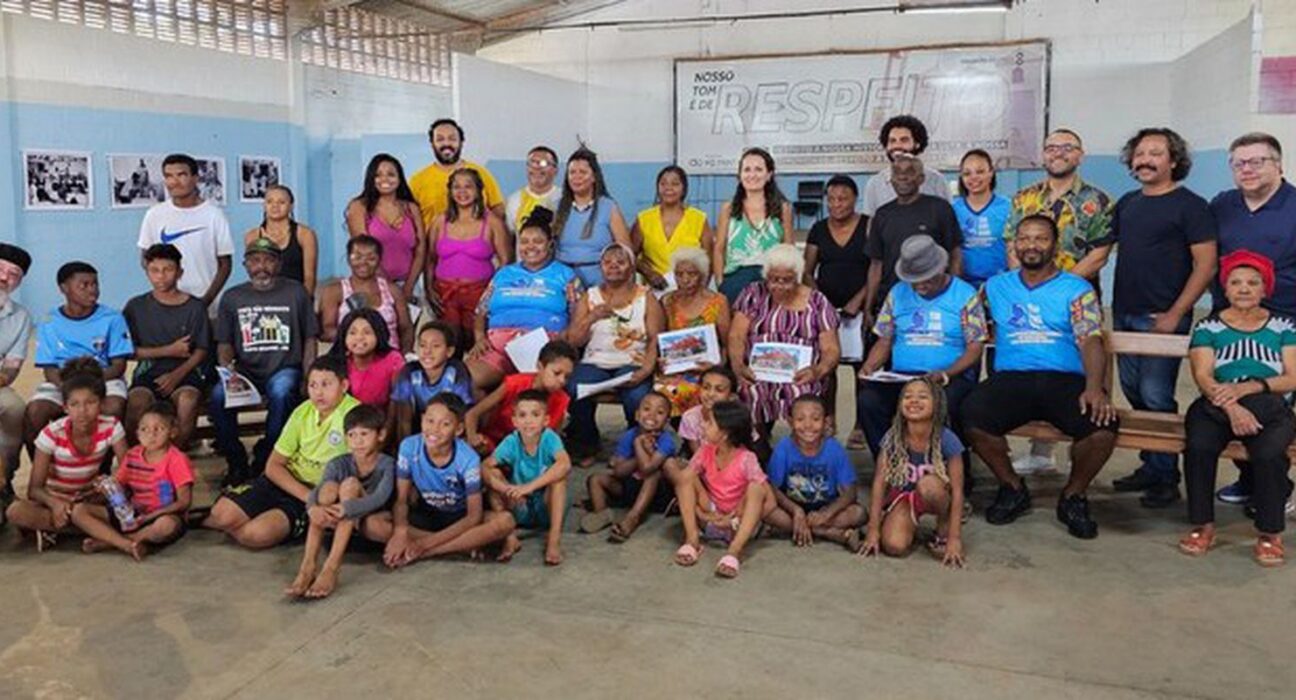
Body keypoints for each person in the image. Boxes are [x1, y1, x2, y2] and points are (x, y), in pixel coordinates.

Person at [961, 215, 1117, 539]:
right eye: (1025, 238)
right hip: (1012, 378)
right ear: (1015, 245)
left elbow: (1090, 338)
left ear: (1055, 246)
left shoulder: (1076, 288)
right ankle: (1012, 488)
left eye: (1041, 238)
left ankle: (1073, 495)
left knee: (1102, 429)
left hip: (1062, 379)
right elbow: (965, 318)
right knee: (970, 414)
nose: (1031, 245)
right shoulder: (995, 287)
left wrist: (1094, 387)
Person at [1105, 128, 1218, 508]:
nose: (1145, 160)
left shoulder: (1191, 206)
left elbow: (1205, 265)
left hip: (1164, 317)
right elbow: (1107, 251)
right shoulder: (1127, 203)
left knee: (1156, 395)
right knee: (1135, 393)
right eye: (1139, 153)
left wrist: (1175, 314)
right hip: (1124, 314)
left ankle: (1167, 476)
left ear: (1173, 161)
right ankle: (1151, 465)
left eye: (1156, 152)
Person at [1004, 129, 1115, 474]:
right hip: (1027, 296)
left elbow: (1099, 254)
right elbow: (1012, 245)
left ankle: (1082, 449)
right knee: (1036, 361)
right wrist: (1024, 287)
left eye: (1067, 148)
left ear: (1080, 155)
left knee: (1080, 369)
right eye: (1051, 147)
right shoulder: (1023, 198)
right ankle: (1041, 453)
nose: (1058, 153)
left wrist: (1059, 288)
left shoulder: (1098, 200)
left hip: (1077, 296)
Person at [1180, 252, 1295, 566]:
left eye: (1252, 283)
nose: (1244, 289)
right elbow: (1203, 376)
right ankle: (1203, 525)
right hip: (1216, 403)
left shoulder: (1284, 326)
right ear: (1225, 289)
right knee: (1199, 446)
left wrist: (1250, 387)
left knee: (1270, 453)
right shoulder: (1208, 327)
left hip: (1270, 405)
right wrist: (1233, 408)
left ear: (1264, 289)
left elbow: (1292, 376)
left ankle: (1270, 533)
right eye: (1236, 282)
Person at [1209, 133, 1295, 506]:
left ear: (1278, 164)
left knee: (1275, 410)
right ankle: (1250, 480)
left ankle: (1277, 487)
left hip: (1284, 324)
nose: (1247, 169)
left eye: (1256, 161)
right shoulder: (1222, 205)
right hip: (1230, 324)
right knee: (1233, 403)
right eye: (1239, 163)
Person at [201, 357, 360, 549]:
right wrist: (308, 497)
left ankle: (290, 521)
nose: (318, 392)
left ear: (344, 385)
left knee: (254, 535)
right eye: (313, 385)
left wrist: (316, 501)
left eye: (326, 384)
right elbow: (274, 466)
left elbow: (360, 470)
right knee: (221, 515)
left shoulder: (354, 415)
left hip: (319, 494)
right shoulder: (303, 411)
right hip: (288, 483)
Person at [857, 235, 986, 456]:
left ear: (941, 268)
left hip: (948, 377)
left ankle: (950, 467)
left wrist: (945, 373)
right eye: (915, 279)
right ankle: (890, 463)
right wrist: (870, 366)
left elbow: (975, 347)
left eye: (927, 278)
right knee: (869, 401)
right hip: (903, 376)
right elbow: (885, 339)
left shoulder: (965, 295)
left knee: (950, 403)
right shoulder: (898, 293)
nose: (920, 285)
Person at [210, 237, 318, 485]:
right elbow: (225, 343)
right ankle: (235, 460)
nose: (261, 266)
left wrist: (309, 375)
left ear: (278, 264)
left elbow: (310, 337)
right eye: (255, 260)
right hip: (246, 371)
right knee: (218, 396)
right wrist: (229, 375)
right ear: (245, 265)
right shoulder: (233, 297)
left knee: (282, 392)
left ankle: (266, 453)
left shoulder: (296, 292)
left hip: (284, 368)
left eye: (269, 260)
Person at [362, 393, 514, 567]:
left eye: (445, 424)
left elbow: (473, 516)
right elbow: (402, 499)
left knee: (505, 522)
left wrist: (423, 545)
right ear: (422, 420)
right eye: (430, 421)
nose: (434, 429)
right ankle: (462, 547)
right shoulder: (409, 447)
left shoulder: (468, 458)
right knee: (371, 524)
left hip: (460, 518)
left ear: (458, 430)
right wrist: (400, 532)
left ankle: (427, 552)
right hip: (426, 515)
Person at [5, 359, 128, 550]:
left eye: (91, 403)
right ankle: (95, 530)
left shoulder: (112, 427)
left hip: (90, 501)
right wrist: (55, 504)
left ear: (102, 404)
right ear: (65, 407)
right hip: (57, 499)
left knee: (126, 504)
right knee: (16, 512)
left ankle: (59, 529)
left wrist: (111, 488)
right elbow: (35, 489)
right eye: (74, 404)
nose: (82, 412)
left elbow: (127, 471)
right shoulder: (51, 434)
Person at [729, 244, 841, 443]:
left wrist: (818, 370)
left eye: (787, 280)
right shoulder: (752, 294)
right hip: (758, 372)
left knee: (803, 395)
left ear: (797, 277)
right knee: (749, 392)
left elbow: (831, 349)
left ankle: (802, 449)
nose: (779, 285)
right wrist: (739, 366)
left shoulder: (817, 302)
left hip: (801, 373)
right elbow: (736, 336)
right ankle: (759, 449)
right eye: (773, 279)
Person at [566, 244, 664, 462]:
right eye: (608, 262)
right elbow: (574, 340)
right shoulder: (590, 296)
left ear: (631, 268)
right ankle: (587, 443)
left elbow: (656, 337)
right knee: (575, 387)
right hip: (596, 361)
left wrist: (647, 369)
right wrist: (591, 317)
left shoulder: (646, 297)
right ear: (600, 267)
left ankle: (633, 445)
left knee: (637, 396)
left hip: (633, 361)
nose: (614, 267)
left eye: (621, 262)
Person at [465, 208, 581, 391]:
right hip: (498, 349)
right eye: (525, 242)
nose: (530, 247)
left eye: (538, 241)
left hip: (544, 352)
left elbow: (578, 315)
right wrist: (479, 338)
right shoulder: (504, 274)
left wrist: (565, 337)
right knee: (465, 382)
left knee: (534, 389)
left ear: (550, 244)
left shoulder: (565, 275)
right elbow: (481, 310)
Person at [287, 404, 395, 598]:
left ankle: (331, 567)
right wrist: (312, 508)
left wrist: (346, 508)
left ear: (380, 435)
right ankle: (308, 565)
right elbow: (317, 492)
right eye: (352, 435)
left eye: (364, 434)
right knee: (328, 489)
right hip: (341, 518)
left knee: (350, 485)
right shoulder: (338, 463)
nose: (358, 441)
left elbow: (381, 498)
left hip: (372, 516)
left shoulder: (387, 464)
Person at [662, 400, 776, 579]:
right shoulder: (705, 450)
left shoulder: (747, 458)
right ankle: (692, 540)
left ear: (724, 434)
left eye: (709, 422)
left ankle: (734, 551)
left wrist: (735, 520)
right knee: (686, 477)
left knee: (756, 489)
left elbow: (770, 502)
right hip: (712, 518)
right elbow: (684, 482)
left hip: (738, 524)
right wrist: (702, 514)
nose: (703, 425)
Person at [860, 377, 966, 567]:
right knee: (894, 546)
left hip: (937, 494)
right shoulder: (893, 437)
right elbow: (879, 483)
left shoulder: (947, 439)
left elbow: (958, 491)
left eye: (923, 397)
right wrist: (873, 530)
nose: (914, 401)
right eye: (907, 396)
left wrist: (954, 538)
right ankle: (904, 522)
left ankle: (943, 524)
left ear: (937, 404)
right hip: (905, 497)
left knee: (929, 485)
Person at [26, 262, 133, 450]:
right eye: (84, 285)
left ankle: (103, 469)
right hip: (62, 381)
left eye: (95, 284)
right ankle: (44, 469)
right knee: (35, 411)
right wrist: (69, 388)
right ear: (64, 288)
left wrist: (89, 386)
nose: (92, 291)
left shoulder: (112, 318)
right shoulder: (49, 321)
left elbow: (118, 366)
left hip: (104, 378)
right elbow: (49, 369)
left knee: (113, 407)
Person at [70, 401, 193, 561]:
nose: (151, 434)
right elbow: (118, 484)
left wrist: (149, 517)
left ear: (172, 432)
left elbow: (184, 502)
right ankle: (126, 543)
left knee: (166, 526)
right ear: (137, 433)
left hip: (163, 514)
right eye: (144, 429)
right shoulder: (133, 455)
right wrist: (99, 488)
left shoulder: (176, 459)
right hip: (132, 513)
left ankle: (115, 542)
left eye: (159, 429)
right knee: (79, 511)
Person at [803, 174, 869, 448]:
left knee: (860, 368)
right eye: (831, 199)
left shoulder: (868, 226)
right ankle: (828, 419)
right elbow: (807, 270)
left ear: (855, 199)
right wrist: (821, 302)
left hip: (861, 308)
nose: (836, 204)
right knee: (827, 368)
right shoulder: (818, 228)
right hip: (826, 310)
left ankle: (860, 426)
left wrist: (859, 300)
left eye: (843, 198)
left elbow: (877, 268)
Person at [122, 244, 210, 451]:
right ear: (147, 272)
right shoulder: (136, 307)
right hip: (148, 372)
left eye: (168, 270)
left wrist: (177, 375)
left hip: (186, 373)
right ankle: (137, 459)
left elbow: (201, 350)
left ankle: (172, 458)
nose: (161, 276)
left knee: (188, 400)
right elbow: (127, 350)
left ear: (179, 272)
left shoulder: (194, 307)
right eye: (154, 270)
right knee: (136, 401)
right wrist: (168, 350)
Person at [863, 155, 962, 327]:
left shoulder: (940, 209)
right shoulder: (882, 215)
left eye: (909, 172)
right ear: (891, 180)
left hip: (934, 300)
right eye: (897, 173)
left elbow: (955, 255)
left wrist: (952, 296)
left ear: (921, 179)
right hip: (893, 303)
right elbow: (876, 265)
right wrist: (868, 308)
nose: (902, 177)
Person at [482, 389, 574, 566]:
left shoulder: (549, 438)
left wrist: (528, 487)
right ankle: (510, 537)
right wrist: (505, 489)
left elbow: (565, 464)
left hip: (546, 506)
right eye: (522, 415)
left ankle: (553, 540)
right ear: (514, 421)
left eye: (535, 415)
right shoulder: (512, 441)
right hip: (519, 505)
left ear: (545, 420)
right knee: (492, 474)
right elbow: (485, 466)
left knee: (559, 479)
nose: (528, 421)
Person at [763, 395, 865, 550]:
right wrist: (796, 511)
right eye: (800, 419)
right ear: (790, 422)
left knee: (859, 513)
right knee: (764, 510)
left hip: (825, 509)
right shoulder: (783, 448)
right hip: (791, 508)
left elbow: (850, 492)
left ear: (826, 422)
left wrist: (827, 514)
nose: (808, 425)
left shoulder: (834, 449)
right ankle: (832, 534)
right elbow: (772, 488)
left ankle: (800, 529)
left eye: (816, 419)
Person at [426, 167, 511, 353]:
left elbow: (506, 263)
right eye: (456, 187)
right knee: (447, 347)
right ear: (450, 191)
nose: (462, 192)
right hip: (444, 294)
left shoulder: (493, 222)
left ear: (478, 190)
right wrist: (428, 288)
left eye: (468, 186)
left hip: (478, 295)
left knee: (477, 348)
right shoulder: (440, 221)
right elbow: (430, 259)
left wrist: (489, 297)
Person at [136, 153, 233, 308]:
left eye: (181, 175)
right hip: (165, 308)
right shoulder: (154, 214)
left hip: (207, 307)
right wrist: (164, 291)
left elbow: (225, 265)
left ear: (195, 178)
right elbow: (145, 259)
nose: (174, 182)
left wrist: (204, 303)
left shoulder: (214, 215)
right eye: (168, 176)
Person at [579, 391, 676, 542]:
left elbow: (647, 469)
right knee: (596, 479)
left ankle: (632, 517)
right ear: (637, 415)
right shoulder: (629, 435)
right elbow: (618, 472)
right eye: (646, 409)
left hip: (656, 494)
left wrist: (638, 446)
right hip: (629, 487)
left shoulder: (666, 441)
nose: (651, 415)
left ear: (667, 421)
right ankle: (602, 513)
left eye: (660, 412)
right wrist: (639, 447)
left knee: (653, 475)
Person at [654, 246, 731, 417]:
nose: (685, 279)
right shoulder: (667, 301)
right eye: (679, 274)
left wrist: (717, 366)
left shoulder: (718, 302)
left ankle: (699, 437)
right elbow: (659, 340)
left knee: (704, 390)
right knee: (665, 391)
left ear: (703, 276)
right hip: (675, 369)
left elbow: (727, 343)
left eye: (691, 274)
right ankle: (687, 438)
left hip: (709, 368)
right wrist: (661, 361)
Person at [465, 340, 578, 455]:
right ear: (540, 366)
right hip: (494, 443)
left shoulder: (562, 400)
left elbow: (553, 441)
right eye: (557, 373)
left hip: (529, 454)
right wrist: (473, 438)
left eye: (567, 377)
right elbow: (472, 414)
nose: (562, 381)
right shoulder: (514, 384)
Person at [715, 147, 795, 304]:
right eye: (747, 170)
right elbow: (719, 249)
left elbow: (789, 249)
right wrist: (720, 282)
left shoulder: (783, 208)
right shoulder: (728, 208)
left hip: (772, 280)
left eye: (758, 169)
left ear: (769, 175)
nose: (752, 175)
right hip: (735, 280)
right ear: (740, 175)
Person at [345, 153, 426, 300]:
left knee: (408, 323)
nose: (385, 180)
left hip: (410, 287)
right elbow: (364, 252)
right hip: (373, 285)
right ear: (371, 178)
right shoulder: (359, 207)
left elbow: (420, 251)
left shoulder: (411, 208)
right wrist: (391, 289)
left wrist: (408, 288)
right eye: (378, 175)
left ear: (399, 178)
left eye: (391, 174)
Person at [320, 234, 415, 354]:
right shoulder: (335, 291)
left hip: (389, 358)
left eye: (371, 258)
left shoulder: (393, 291)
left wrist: (405, 356)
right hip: (350, 358)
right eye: (357, 257)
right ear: (348, 259)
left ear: (380, 260)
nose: (363, 263)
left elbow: (406, 328)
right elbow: (327, 330)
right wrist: (361, 338)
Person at [552, 147, 633, 287]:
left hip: (602, 281)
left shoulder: (609, 207)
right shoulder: (556, 207)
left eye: (582, 172)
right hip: (563, 280)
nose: (577, 177)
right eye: (572, 172)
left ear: (594, 177)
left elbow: (626, 251)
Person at [410, 118, 506, 227]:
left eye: (452, 139)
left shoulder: (481, 173)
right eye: (440, 139)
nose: (446, 143)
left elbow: (498, 209)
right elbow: (411, 219)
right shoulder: (417, 180)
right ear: (432, 144)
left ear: (461, 142)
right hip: (433, 243)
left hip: (476, 242)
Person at [390, 321, 474, 446]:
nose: (427, 351)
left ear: (449, 351)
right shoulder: (409, 372)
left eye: (435, 346)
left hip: (448, 430)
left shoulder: (457, 372)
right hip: (418, 428)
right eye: (423, 345)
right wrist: (408, 448)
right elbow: (404, 420)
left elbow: (462, 413)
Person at [633, 165, 713, 292]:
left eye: (675, 184)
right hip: (655, 290)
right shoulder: (644, 219)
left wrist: (700, 292)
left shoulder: (699, 219)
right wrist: (649, 273)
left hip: (689, 291)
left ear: (684, 188)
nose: (668, 188)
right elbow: (630, 255)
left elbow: (709, 261)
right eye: (663, 183)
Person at [861, 115, 952, 217]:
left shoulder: (936, 180)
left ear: (917, 143)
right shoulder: (875, 184)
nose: (897, 146)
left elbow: (948, 219)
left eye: (904, 140)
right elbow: (870, 224)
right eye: (892, 141)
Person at [0, 243, 33, 512]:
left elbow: (11, 369)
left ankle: (5, 478)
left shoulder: (19, 317)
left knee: (15, 408)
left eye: (12, 275)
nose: (3, 278)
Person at [243, 184, 318, 295]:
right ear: (264, 205)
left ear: (291, 206)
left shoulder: (305, 234)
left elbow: (309, 278)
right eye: (270, 202)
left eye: (281, 202)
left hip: (295, 298)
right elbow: (254, 273)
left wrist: (303, 304)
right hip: (264, 298)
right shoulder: (252, 236)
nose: (275, 206)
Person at [952, 149, 1012, 287]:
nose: (973, 177)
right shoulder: (953, 209)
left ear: (991, 173)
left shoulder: (1009, 207)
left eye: (980, 172)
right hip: (964, 285)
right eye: (967, 173)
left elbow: (1013, 249)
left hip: (999, 284)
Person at [327, 308, 404, 413]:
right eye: (352, 333)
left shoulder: (393, 360)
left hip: (382, 420)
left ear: (378, 334)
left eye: (367, 332)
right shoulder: (336, 361)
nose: (359, 337)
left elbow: (399, 401)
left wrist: (387, 428)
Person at [678, 366, 741, 455]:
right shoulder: (690, 417)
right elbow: (698, 456)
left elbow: (743, 452)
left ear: (731, 397)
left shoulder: (739, 418)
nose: (711, 394)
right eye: (706, 387)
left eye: (719, 390)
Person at [505, 145, 562, 242]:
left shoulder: (564, 198)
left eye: (543, 163)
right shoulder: (514, 200)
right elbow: (509, 238)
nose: (537, 168)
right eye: (532, 163)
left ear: (555, 170)